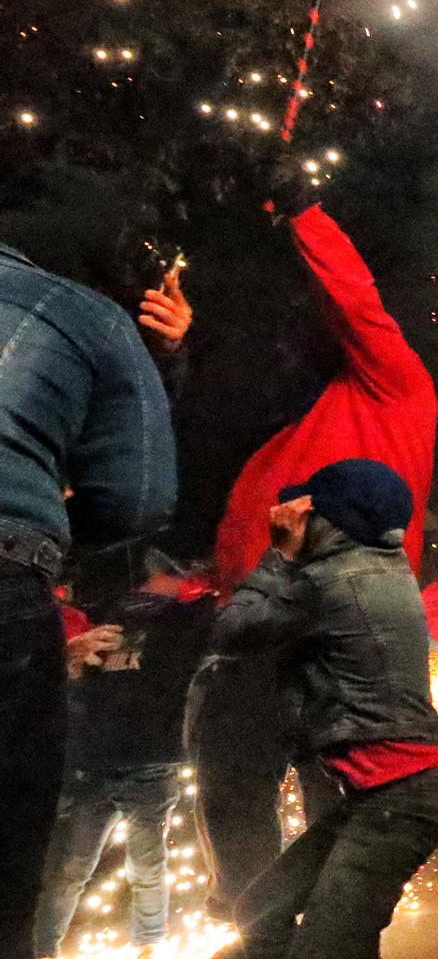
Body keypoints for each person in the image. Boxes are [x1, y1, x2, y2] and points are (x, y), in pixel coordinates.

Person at [187, 182, 437, 914]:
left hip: (339, 643)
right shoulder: (275, 433)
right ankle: (258, 926)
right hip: (259, 642)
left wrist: (303, 213)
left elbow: (356, 301)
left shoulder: (397, 385)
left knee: (345, 820)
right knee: (233, 800)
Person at [0, 224, 177, 959]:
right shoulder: (87, 315)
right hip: (6, 571)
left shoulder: (174, 611)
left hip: (135, 765)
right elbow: (138, 498)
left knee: (142, 867)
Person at [210, 459, 438, 959]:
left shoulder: (332, 581)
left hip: (396, 803)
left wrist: (279, 554)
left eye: (308, 512)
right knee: (261, 909)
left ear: (331, 521)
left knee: (326, 949)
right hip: (382, 799)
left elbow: (231, 632)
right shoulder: (386, 567)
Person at [35, 552, 216, 959]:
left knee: (73, 868)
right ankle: (55, 947)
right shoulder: (98, 618)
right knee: (137, 866)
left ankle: (54, 948)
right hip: (109, 761)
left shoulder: (178, 617)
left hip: (125, 762)